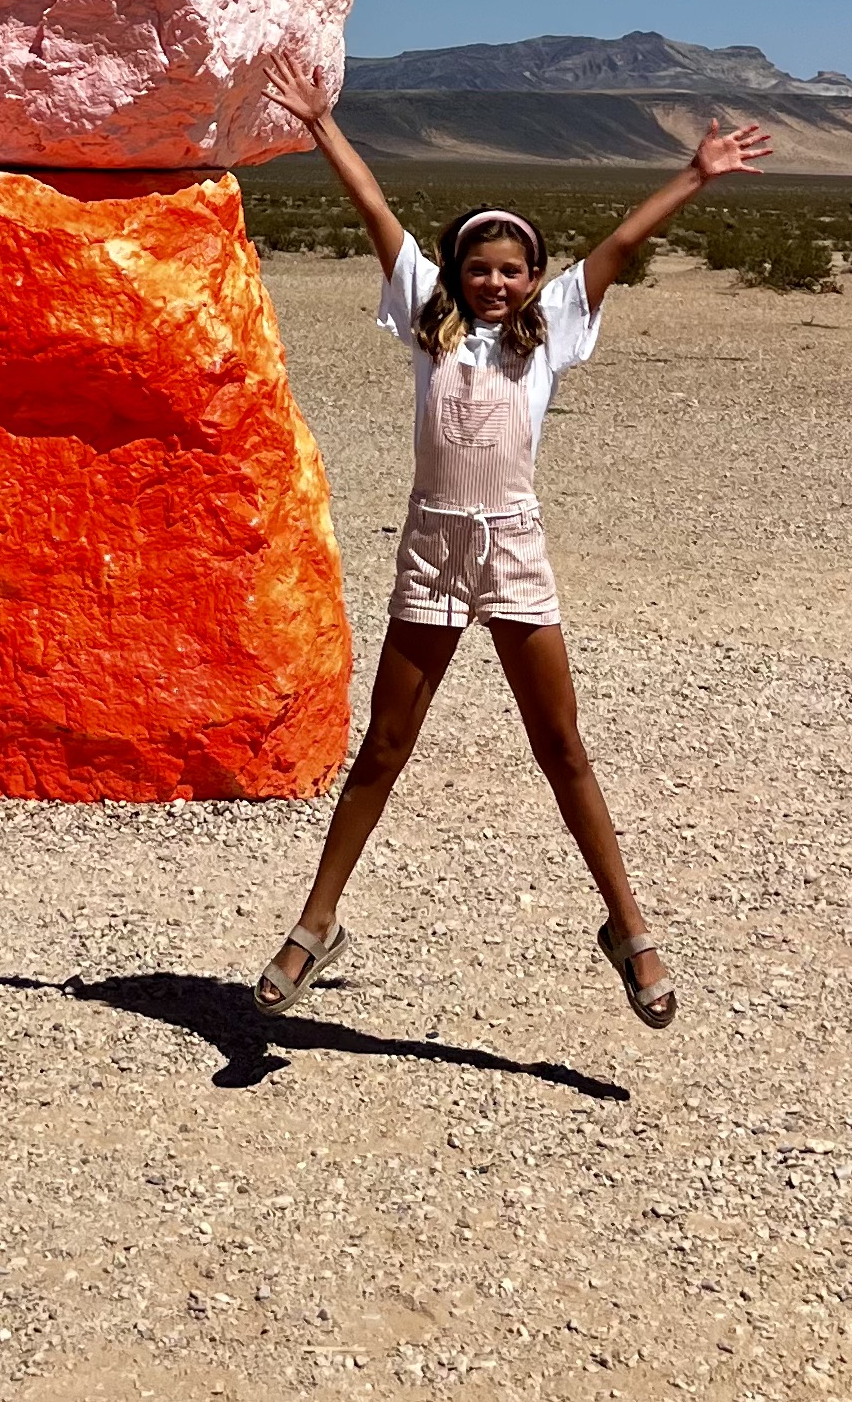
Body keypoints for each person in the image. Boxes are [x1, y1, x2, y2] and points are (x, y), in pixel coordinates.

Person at [249, 62, 772, 1031]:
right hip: (430, 551)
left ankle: (627, 926)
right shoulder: (426, 325)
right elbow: (372, 206)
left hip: (512, 549)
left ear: (534, 278)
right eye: (478, 266)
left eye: (510, 268)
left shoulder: (550, 332)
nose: (494, 281)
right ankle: (316, 922)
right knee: (384, 747)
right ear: (452, 272)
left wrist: (694, 174)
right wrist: (322, 126)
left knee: (561, 745)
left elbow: (620, 240)